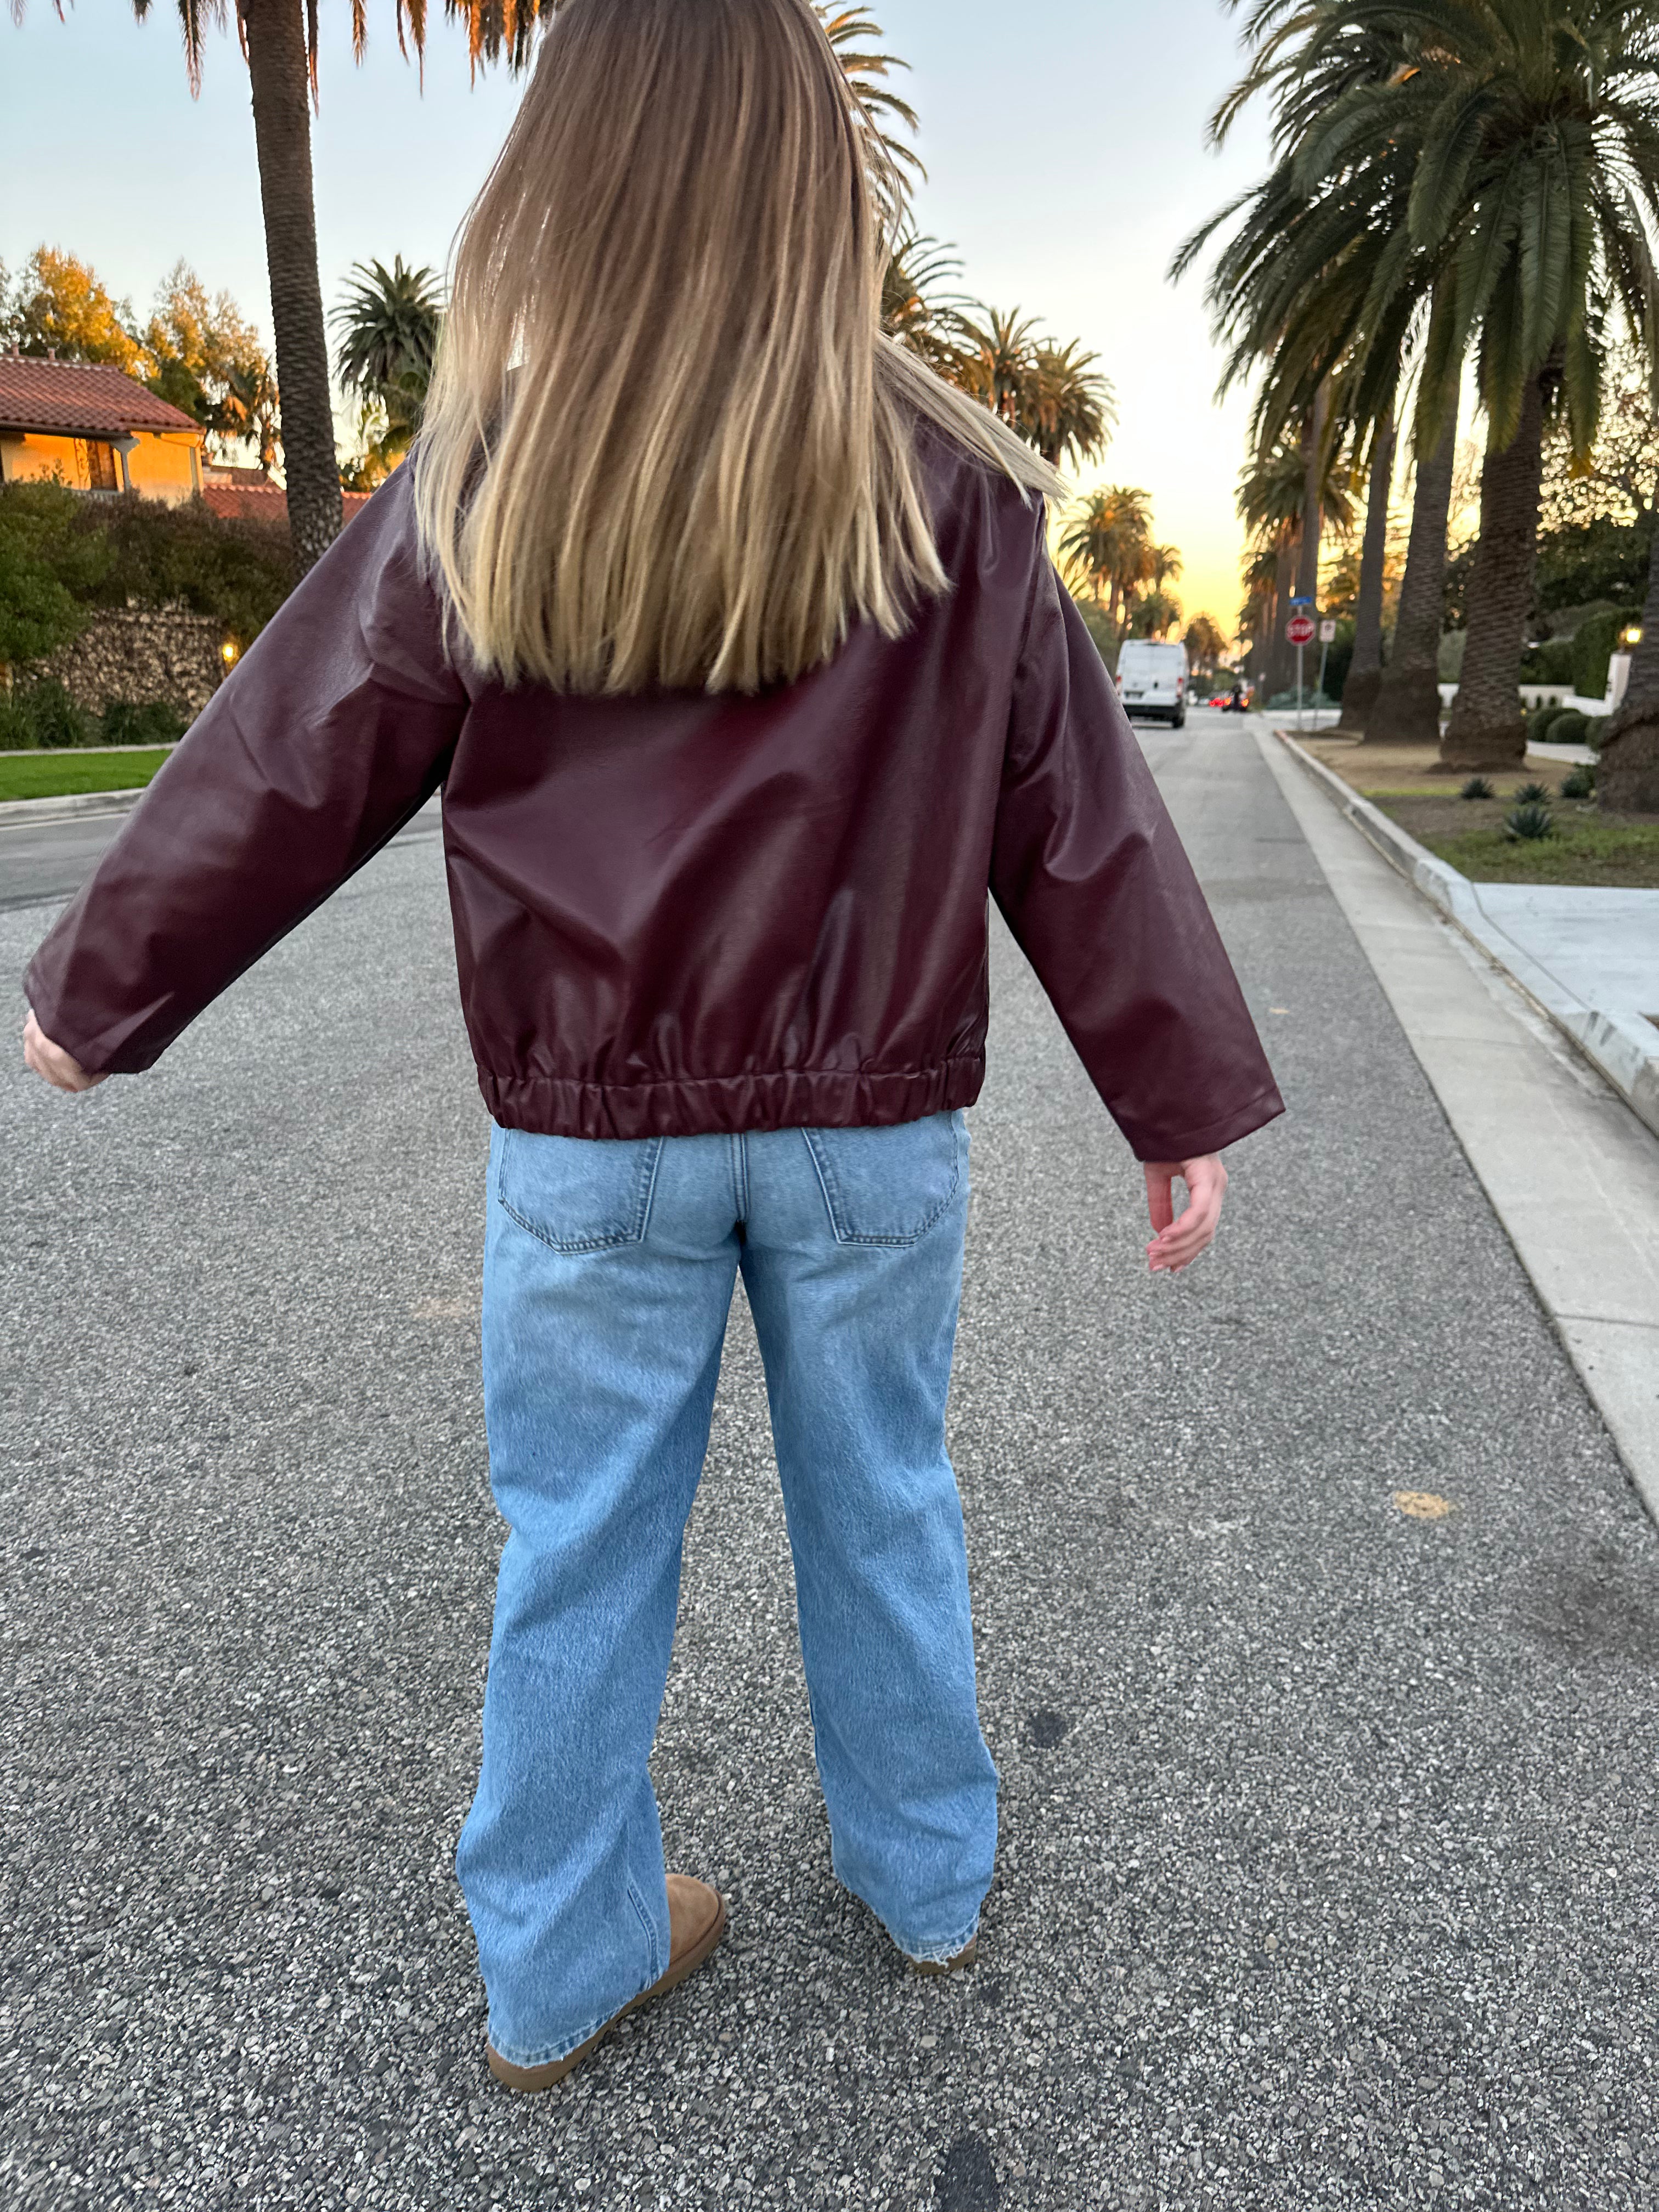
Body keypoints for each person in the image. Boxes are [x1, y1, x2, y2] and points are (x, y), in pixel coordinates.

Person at [21, 0, 1283, 2093]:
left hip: (595, 1136)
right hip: (870, 1129)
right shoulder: (955, 487)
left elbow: (294, 752)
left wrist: (95, 992)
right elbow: (1077, 809)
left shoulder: (500, 476)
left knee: (582, 1531)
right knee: (883, 1497)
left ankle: (559, 1959)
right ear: (826, 187)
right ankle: (928, 1880)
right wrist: (1177, 1100)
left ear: (568, 177)